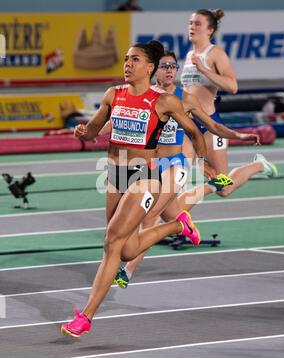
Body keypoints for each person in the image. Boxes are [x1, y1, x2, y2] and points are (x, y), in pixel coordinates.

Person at [61, 40, 212, 338]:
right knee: (126, 249)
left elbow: (194, 131)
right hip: (116, 174)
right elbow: (93, 131)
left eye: (136, 59)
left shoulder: (164, 101)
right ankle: (177, 226)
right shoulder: (112, 95)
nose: (128, 64)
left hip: (144, 176)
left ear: (150, 67)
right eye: (126, 58)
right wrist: (83, 131)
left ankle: (86, 316)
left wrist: (202, 163)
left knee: (111, 243)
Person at [114, 50, 261, 289]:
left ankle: (127, 271)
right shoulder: (145, 96)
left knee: (149, 216)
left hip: (176, 165)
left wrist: (239, 136)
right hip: (151, 164)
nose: (170, 70)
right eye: (165, 66)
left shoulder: (185, 99)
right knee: (169, 214)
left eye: (173, 66)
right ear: (153, 70)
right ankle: (186, 218)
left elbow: (211, 126)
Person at [179, 9, 278, 206]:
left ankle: (258, 165)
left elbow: (232, 86)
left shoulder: (215, 54)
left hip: (210, 125)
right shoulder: (190, 54)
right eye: (191, 23)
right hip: (187, 124)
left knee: (222, 186)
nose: (192, 27)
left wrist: (204, 70)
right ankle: (174, 225)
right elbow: (188, 90)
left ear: (210, 30)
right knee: (177, 175)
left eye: (198, 24)